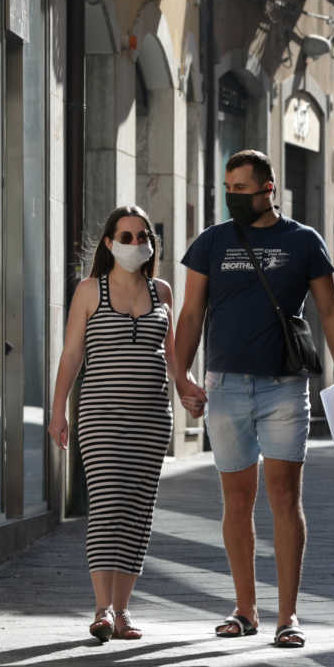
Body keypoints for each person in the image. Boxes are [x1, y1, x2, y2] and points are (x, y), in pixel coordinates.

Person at [174, 150, 334, 649]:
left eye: (242, 189)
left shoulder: (303, 241)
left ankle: (289, 617)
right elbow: (190, 316)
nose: (234, 197)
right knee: (236, 501)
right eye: (228, 189)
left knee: (284, 498)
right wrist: (181, 375)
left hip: (283, 387)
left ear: (268, 189)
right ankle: (245, 609)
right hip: (225, 385)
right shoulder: (212, 242)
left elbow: (331, 311)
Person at [47, 205, 205, 642]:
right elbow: (71, 355)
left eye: (143, 237)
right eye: (127, 236)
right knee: (107, 506)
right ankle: (100, 609)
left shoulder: (163, 293)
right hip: (101, 417)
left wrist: (187, 390)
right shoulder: (88, 292)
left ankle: (123, 611)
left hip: (152, 420)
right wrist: (58, 410)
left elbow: (172, 357)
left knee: (137, 512)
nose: (136, 244)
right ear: (109, 242)